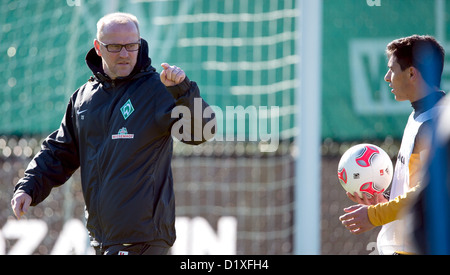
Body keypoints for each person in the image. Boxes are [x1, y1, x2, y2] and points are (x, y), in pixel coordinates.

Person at [10, 12, 216, 255]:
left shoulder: (159, 89)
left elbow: (200, 133)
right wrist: (29, 186)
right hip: (102, 240)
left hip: (144, 241)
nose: (125, 53)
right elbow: (59, 152)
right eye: (115, 47)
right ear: (98, 47)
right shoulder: (83, 98)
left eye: (131, 46)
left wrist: (184, 92)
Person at [339, 35, 445, 255]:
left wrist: (374, 215)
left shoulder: (436, 122)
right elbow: (417, 189)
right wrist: (384, 201)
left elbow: (431, 193)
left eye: (392, 69)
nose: (387, 77)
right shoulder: (419, 116)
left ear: (412, 73)